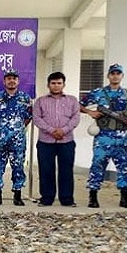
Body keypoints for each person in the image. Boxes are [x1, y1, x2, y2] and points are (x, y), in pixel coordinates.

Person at [80, 63, 127, 209]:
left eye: (118, 74)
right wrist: (91, 112)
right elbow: (79, 104)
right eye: (113, 73)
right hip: (103, 136)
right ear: (108, 76)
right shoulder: (98, 93)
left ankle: (125, 197)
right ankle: (93, 197)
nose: (115, 76)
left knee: (124, 166)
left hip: (122, 137)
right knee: (98, 164)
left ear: (122, 76)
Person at [32, 71, 81, 207]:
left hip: (66, 141)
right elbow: (37, 118)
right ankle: (47, 198)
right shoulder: (40, 101)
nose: (56, 86)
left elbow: (76, 118)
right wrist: (52, 130)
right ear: (48, 85)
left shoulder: (72, 100)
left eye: (59, 83)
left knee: (66, 170)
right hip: (45, 142)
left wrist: (63, 130)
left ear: (63, 84)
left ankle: (67, 199)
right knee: (46, 170)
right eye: (53, 83)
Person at [0, 69, 33, 206]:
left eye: (14, 78)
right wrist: (1, 130)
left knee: (18, 167)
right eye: (9, 78)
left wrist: (17, 129)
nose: (11, 81)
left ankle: (17, 196)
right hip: (0, 140)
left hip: (18, 141)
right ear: (4, 81)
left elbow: (28, 117)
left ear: (18, 81)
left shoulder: (25, 98)